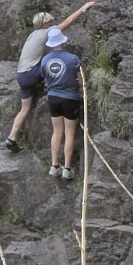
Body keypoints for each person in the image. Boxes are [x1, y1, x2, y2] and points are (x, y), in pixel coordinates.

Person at [3, 0, 95, 153]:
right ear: (45, 24)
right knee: (56, 61)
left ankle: (11, 137)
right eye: (51, 21)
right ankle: (57, 85)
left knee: (25, 109)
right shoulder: (48, 32)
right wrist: (83, 9)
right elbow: (68, 21)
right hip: (33, 73)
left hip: (21, 75)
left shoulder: (33, 34)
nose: (53, 23)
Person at [39, 26, 84, 179]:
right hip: (70, 98)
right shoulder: (72, 59)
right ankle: (67, 168)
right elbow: (81, 81)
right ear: (63, 42)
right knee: (69, 133)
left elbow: (45, 78)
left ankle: (54, 165)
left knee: (57, 131)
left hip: (53, 97)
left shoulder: (45, 60)